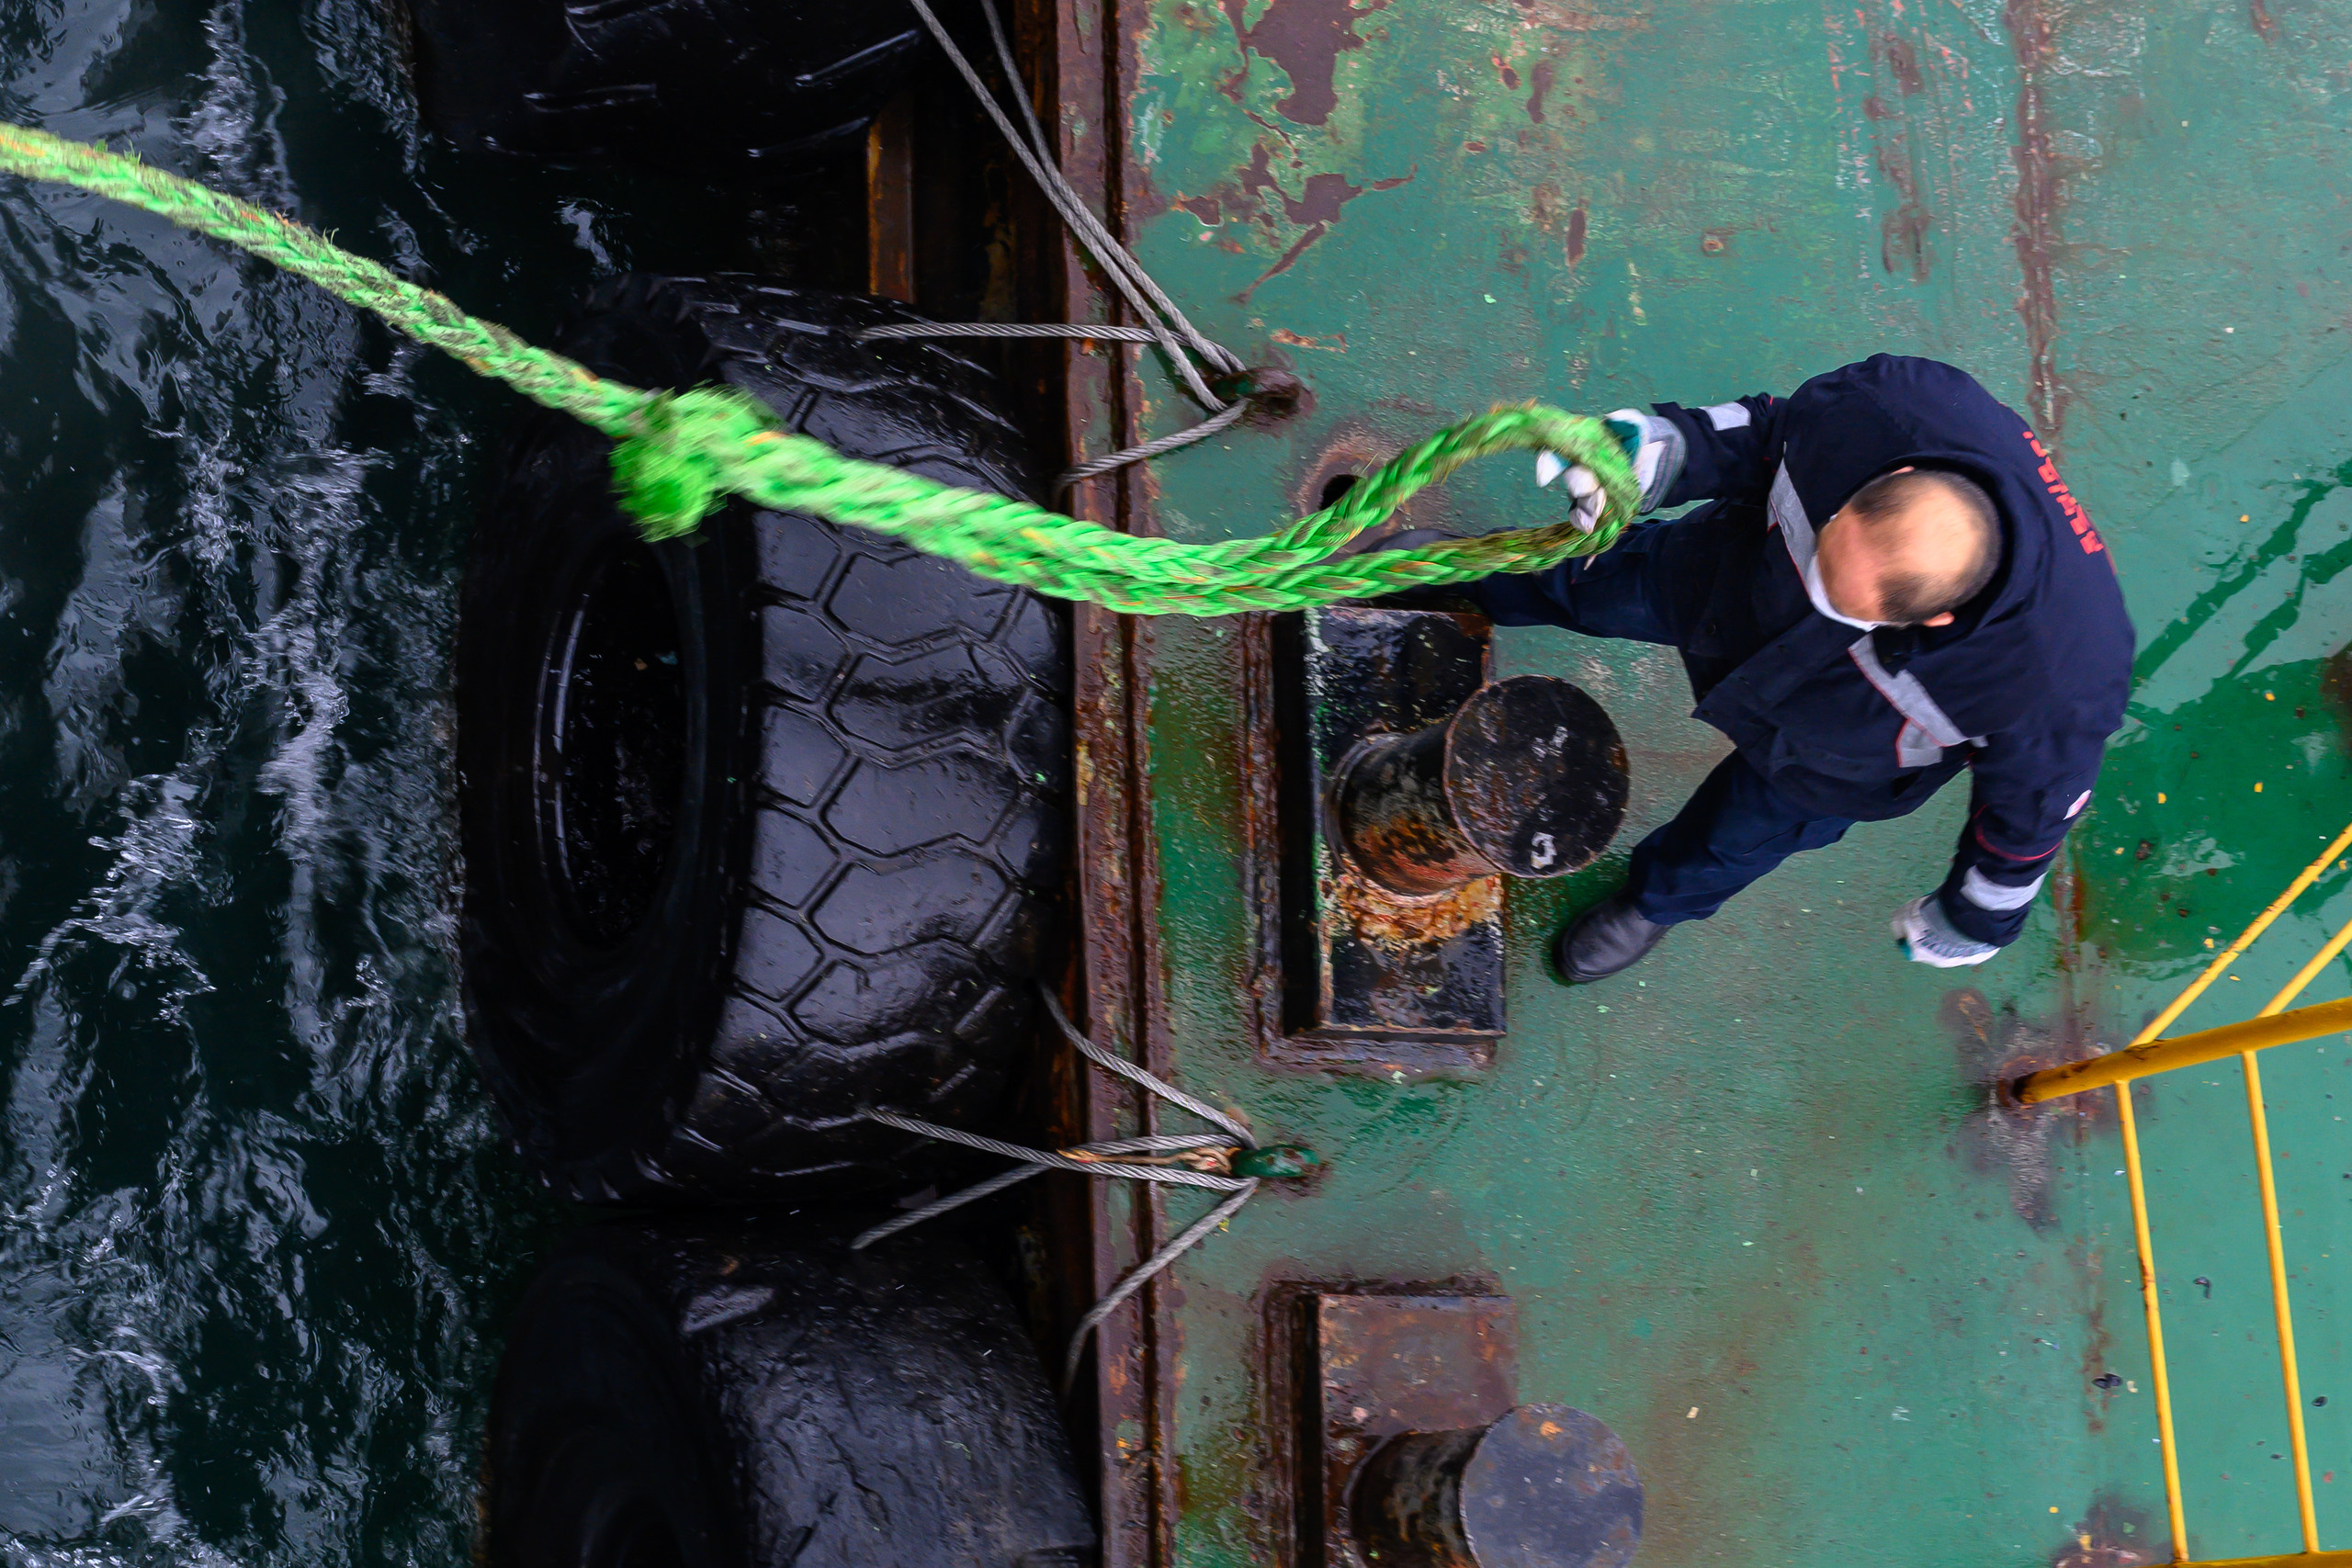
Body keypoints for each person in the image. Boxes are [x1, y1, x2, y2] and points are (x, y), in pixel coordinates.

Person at [1450, 354, 2134, 982]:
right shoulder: (1884, 407)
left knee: (1735, 837)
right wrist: (1662, 449)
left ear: (1934, 622)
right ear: (1892, 476)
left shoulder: (2058, 681)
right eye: (1825, 556)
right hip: (1731, 584)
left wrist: (1971, 918)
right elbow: (1770, 430)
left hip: (1838, 752)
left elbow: (2031, 818)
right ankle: (1459, 580)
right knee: (1591, 581)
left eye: (1841, 601)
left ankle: (1652, 902)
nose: (1819, 596)